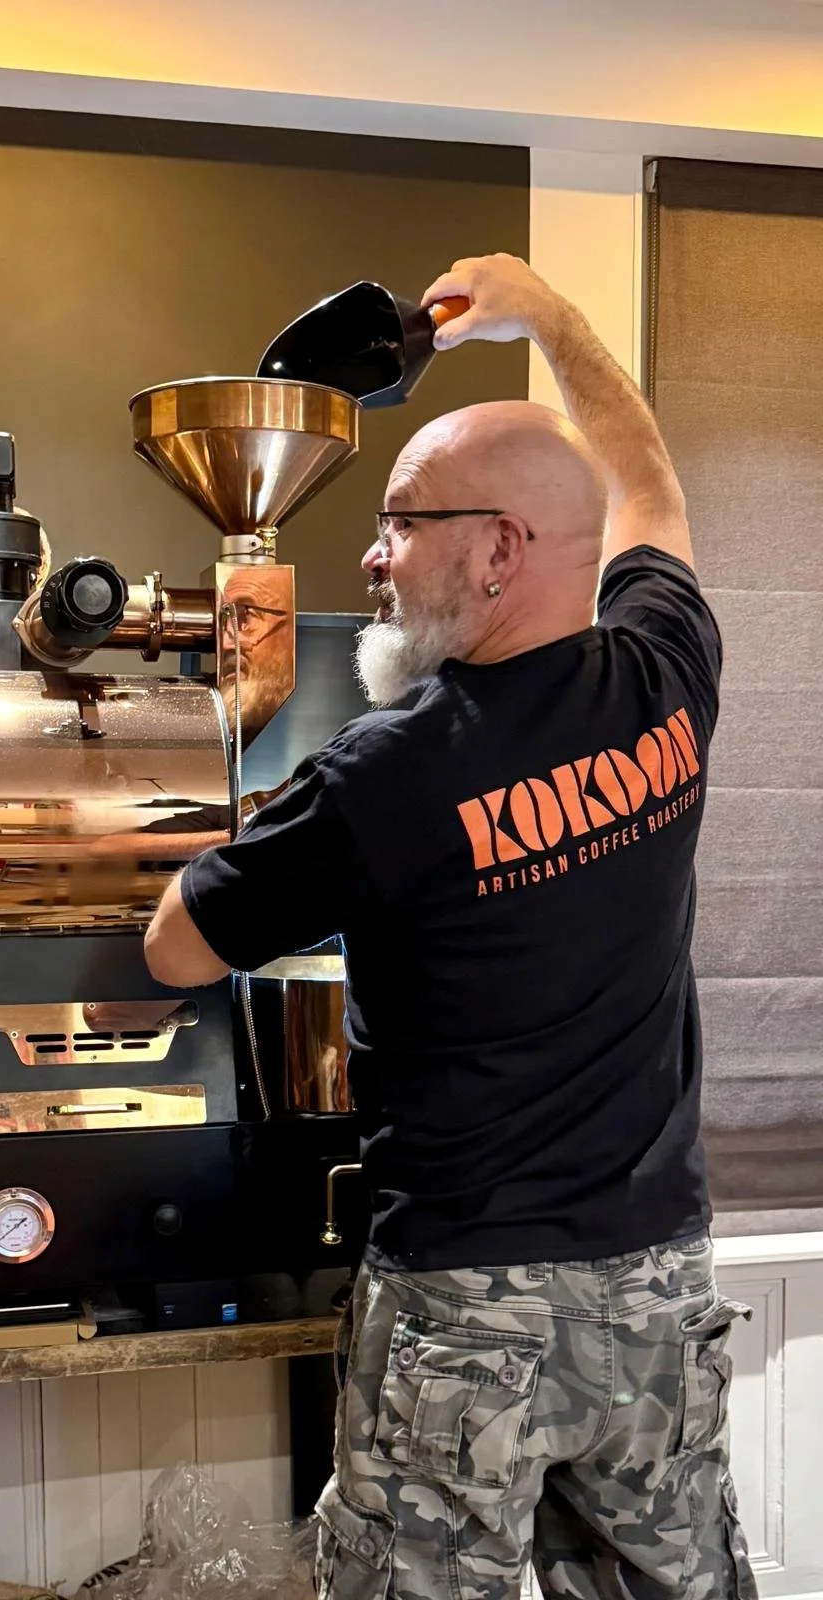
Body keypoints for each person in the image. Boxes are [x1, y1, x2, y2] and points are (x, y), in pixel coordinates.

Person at [144, 254, 756, 1600]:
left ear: (499, 552)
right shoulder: (665, 675)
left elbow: (177, 947)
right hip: (653, 1281)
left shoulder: (391, 771)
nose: (371, 554)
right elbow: (651, 488)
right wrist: (559, 325)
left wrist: (212, 834)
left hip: (468, 1307)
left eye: (403, 523)